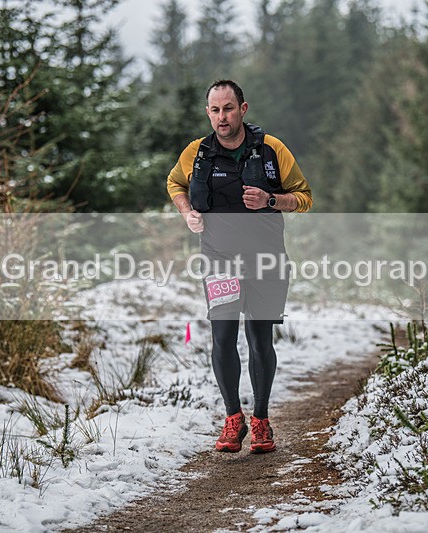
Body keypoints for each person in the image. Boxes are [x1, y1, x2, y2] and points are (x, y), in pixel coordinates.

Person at [166, 80, 312, 454]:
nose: (221, 117)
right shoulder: (197, 153)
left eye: (228, 109)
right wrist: (188, 213)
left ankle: (261, 420)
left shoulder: (271, 149)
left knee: (260, 340)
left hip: (266, 261)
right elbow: (175, 183)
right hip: (219, 260)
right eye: (214, 110)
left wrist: (271, 199)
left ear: (243, 109)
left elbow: (304, 198)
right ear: (207, 112)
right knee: (222, 336)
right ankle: (234, 418)